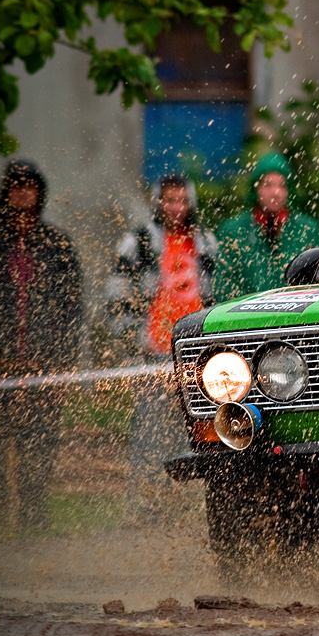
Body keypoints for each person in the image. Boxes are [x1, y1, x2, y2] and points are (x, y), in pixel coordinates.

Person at [105, 174, 217, 510]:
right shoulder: (138, 241)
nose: (177, 207)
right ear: (158, 203)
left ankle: (188, 508)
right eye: (170, 200)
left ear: (191, 203)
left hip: (196, 354)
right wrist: (129, 341)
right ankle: (143, 508)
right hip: (152, 353)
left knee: (196, 432)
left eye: (183, 200)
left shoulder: (205, 242)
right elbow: (115, 295)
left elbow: (215, 294)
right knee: (149, 436)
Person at [0, 159, 84, 531]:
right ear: (6, 193)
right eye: (16, 187)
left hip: (43, 365)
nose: (23, 194)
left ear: (40, 193)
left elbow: (72, 307)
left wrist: (62, 360)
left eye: (30, 187)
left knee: (40, 443)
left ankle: (35, 514)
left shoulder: (56, 244)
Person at [215, 152, 319, 301]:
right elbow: (224, 288)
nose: (275, 192)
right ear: (256, 188)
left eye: (282, 185)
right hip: (246, 318)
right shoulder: (234, 231)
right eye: (267, 185)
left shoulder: (308, 230)